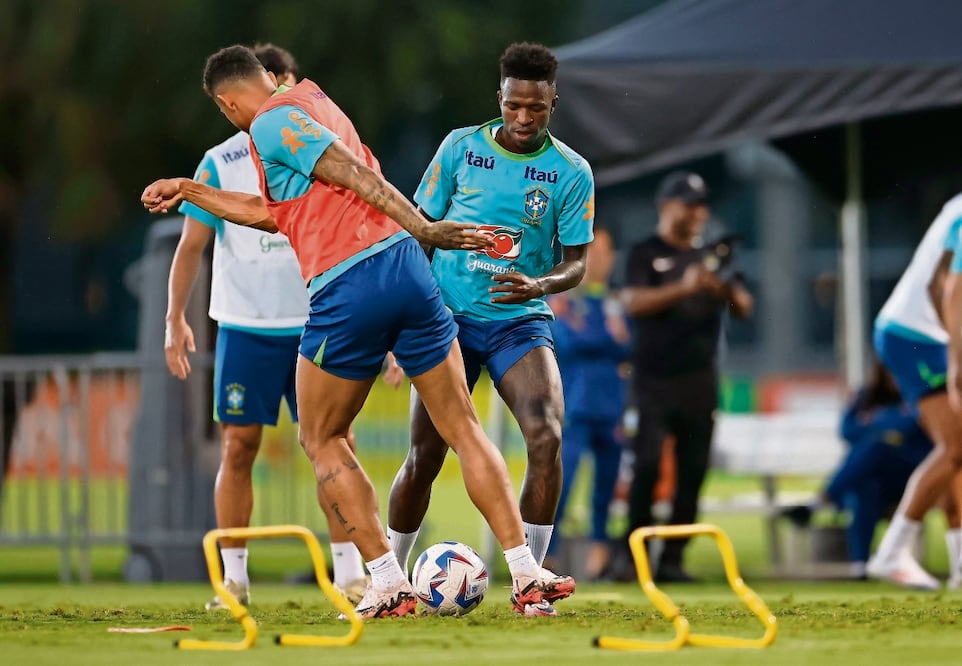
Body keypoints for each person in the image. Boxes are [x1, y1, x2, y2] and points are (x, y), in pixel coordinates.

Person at [141, 44, 562, 618]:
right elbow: (273, 213)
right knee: (461, 424)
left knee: (321, 437)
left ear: (227, 102)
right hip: (406, 274)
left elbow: (351, 170)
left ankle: (386, 581)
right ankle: (525, 573)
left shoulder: (269, 123)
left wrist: (423, 225)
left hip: (350, 281)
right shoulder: (312, 98)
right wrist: (190, 189)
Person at [385, 42, 594, 606]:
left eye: (537, 109)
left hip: (518, 322)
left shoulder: (571, 172)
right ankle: (389, 581)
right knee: (424, 456)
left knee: (547, 436)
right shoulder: (459, 147)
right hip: (445, 320)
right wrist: (402, 327)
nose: (524, 119)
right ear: (499, 97)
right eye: (514, 106)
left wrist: (542, 284)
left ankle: (531, 583)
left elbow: (577, 261)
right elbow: (419, 232)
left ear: (554, 102)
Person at [165, 44, 368, 610]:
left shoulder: (315, 145)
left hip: (316, 319)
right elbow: (191, 247)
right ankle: (234, 581)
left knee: (335, 445)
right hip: (247, 327)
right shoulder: (221, 161)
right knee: (238, 448)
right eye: (278, 85)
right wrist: (173, 316)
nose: (286, 97)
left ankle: (351, 573)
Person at [618, 171, 753, 583]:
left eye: (702, 205)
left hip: (700, 383)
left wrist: (721, 288)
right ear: (667, 206)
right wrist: (682, 287)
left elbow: (745, 307)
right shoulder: (646, 253)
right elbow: (633, 302)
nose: (698, 212)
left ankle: (673, 559)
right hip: (653, 383)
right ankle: (633, 555)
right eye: (689, 204)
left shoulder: (713, 256)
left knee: (693, 473)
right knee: (647, 466)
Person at [868, 193, 962, 589]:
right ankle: (891, 552)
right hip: (916, 336)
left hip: (919, 335)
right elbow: (951, 290)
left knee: (957, 449)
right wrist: (958, 362)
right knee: (956, 447)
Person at [781, 359, 944, 580]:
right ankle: (861, 568)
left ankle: (819, 501)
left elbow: (911, 427)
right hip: (874, 478)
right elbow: (847, 430)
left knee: (875, 448)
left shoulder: (920, 393)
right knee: (864, 488)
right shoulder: (866, 396)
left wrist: (875, 423)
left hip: (910, 478)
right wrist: (888, 428)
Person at [542, 227, 630, 579]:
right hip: (573, 407)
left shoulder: (615, 301)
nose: (604, 260)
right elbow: (570, 340)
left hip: (612, 408)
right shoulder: (560, 300)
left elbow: (629, 346)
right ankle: (546, 553)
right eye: (598, 251)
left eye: (609, 252)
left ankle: (600, 554)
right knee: (561, 483)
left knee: (605, 489)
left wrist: (601, 338)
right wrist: (608, 338)